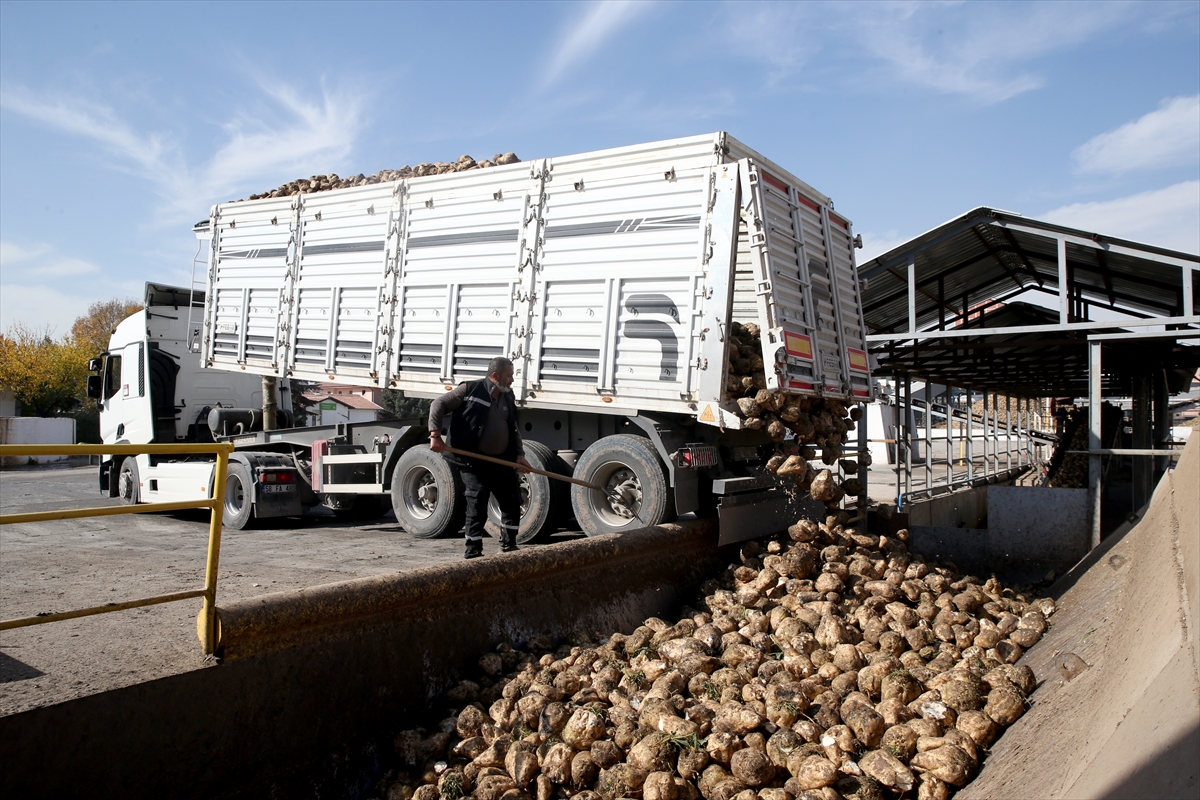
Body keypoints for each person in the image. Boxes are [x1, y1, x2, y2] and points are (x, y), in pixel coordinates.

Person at [428, 356, 531, 559]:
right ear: (495, 376)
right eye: (509, 375)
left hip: (501, 460)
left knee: (512, 500)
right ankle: (473, 552)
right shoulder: (470, 390)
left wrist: (519, 455)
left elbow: (514, 429)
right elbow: (438, 404)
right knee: (478, 503)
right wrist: (435, 435)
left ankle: (509, 545)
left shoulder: (508, 397)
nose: (512, 380)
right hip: (474, 461)